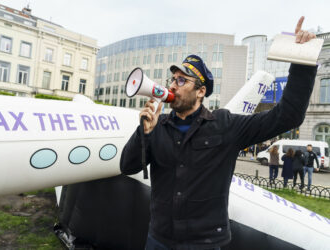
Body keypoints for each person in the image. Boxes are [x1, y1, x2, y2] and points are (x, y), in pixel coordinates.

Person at [120, 17, 317, 250]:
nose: (172, 85)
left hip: (205, 243)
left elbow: (288, 116)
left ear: (201, 91)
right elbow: (127, 166)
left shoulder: (226, 125)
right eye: (172, 79)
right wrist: (143, 132)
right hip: (159, 239)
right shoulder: (156, 126)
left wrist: (302, 63)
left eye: (182, 80)